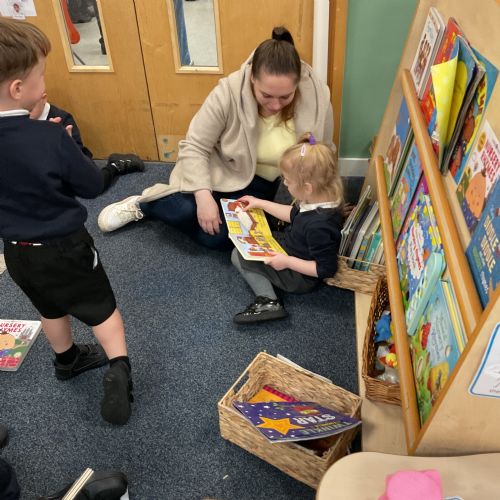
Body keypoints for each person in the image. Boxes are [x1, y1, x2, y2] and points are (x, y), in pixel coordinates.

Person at [0, 18, 133, 425]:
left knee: (49, 304)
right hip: (66, 246)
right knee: (101, 307)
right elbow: (90, 185)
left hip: (17, 253)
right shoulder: (51, 135)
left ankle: (67, 360)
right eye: (40, 76)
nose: (45, 85)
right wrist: (67, 147)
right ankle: (120, 368)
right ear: (17, 89)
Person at [98, 26, 334, 250]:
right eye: (267, 95)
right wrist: (203, 196)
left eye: (285, 97)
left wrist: (328, 200)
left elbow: (323, 153)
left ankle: (190, 209)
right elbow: (195, 146)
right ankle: (144, 203)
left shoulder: (318, 97)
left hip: (264, 186)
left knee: (222, 239)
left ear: (298, 84)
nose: (275, 105)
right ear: (252, 79)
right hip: (219, 170)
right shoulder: (228, 91)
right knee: (185, 211)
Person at [231, 134, 344, 324]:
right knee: (249, 241)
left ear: (307, 187)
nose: (284, 183)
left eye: (288, 180)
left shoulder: (319, 226)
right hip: (292, 250)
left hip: (300, 277)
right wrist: (260, 203)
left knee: (238, 255)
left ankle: (269, 301)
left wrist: (287, 262)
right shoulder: (318, 201)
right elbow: (293, 214)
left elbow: (325, 269)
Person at [30, 92, 145, 193]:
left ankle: (116, 166)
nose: (25, 114)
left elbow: (76, 158)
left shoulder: (62, 119)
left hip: (73, 162)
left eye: (30, 109)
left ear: (43, 99)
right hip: (40, 167)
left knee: (94, 185)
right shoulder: (23, 120)